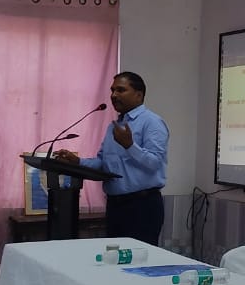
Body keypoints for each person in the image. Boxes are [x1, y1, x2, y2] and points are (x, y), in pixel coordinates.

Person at [54, 71, 169, 246]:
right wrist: (78, 162)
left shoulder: (152, 122)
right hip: (115, 206)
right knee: (115, 259)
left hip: (142, 206)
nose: (114, 95)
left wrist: (130, 146)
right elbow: (103, 163)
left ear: (138, 95)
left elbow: (154, 163)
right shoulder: (114, 126)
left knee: (138, 259)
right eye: (112, 90)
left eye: (121, 90)